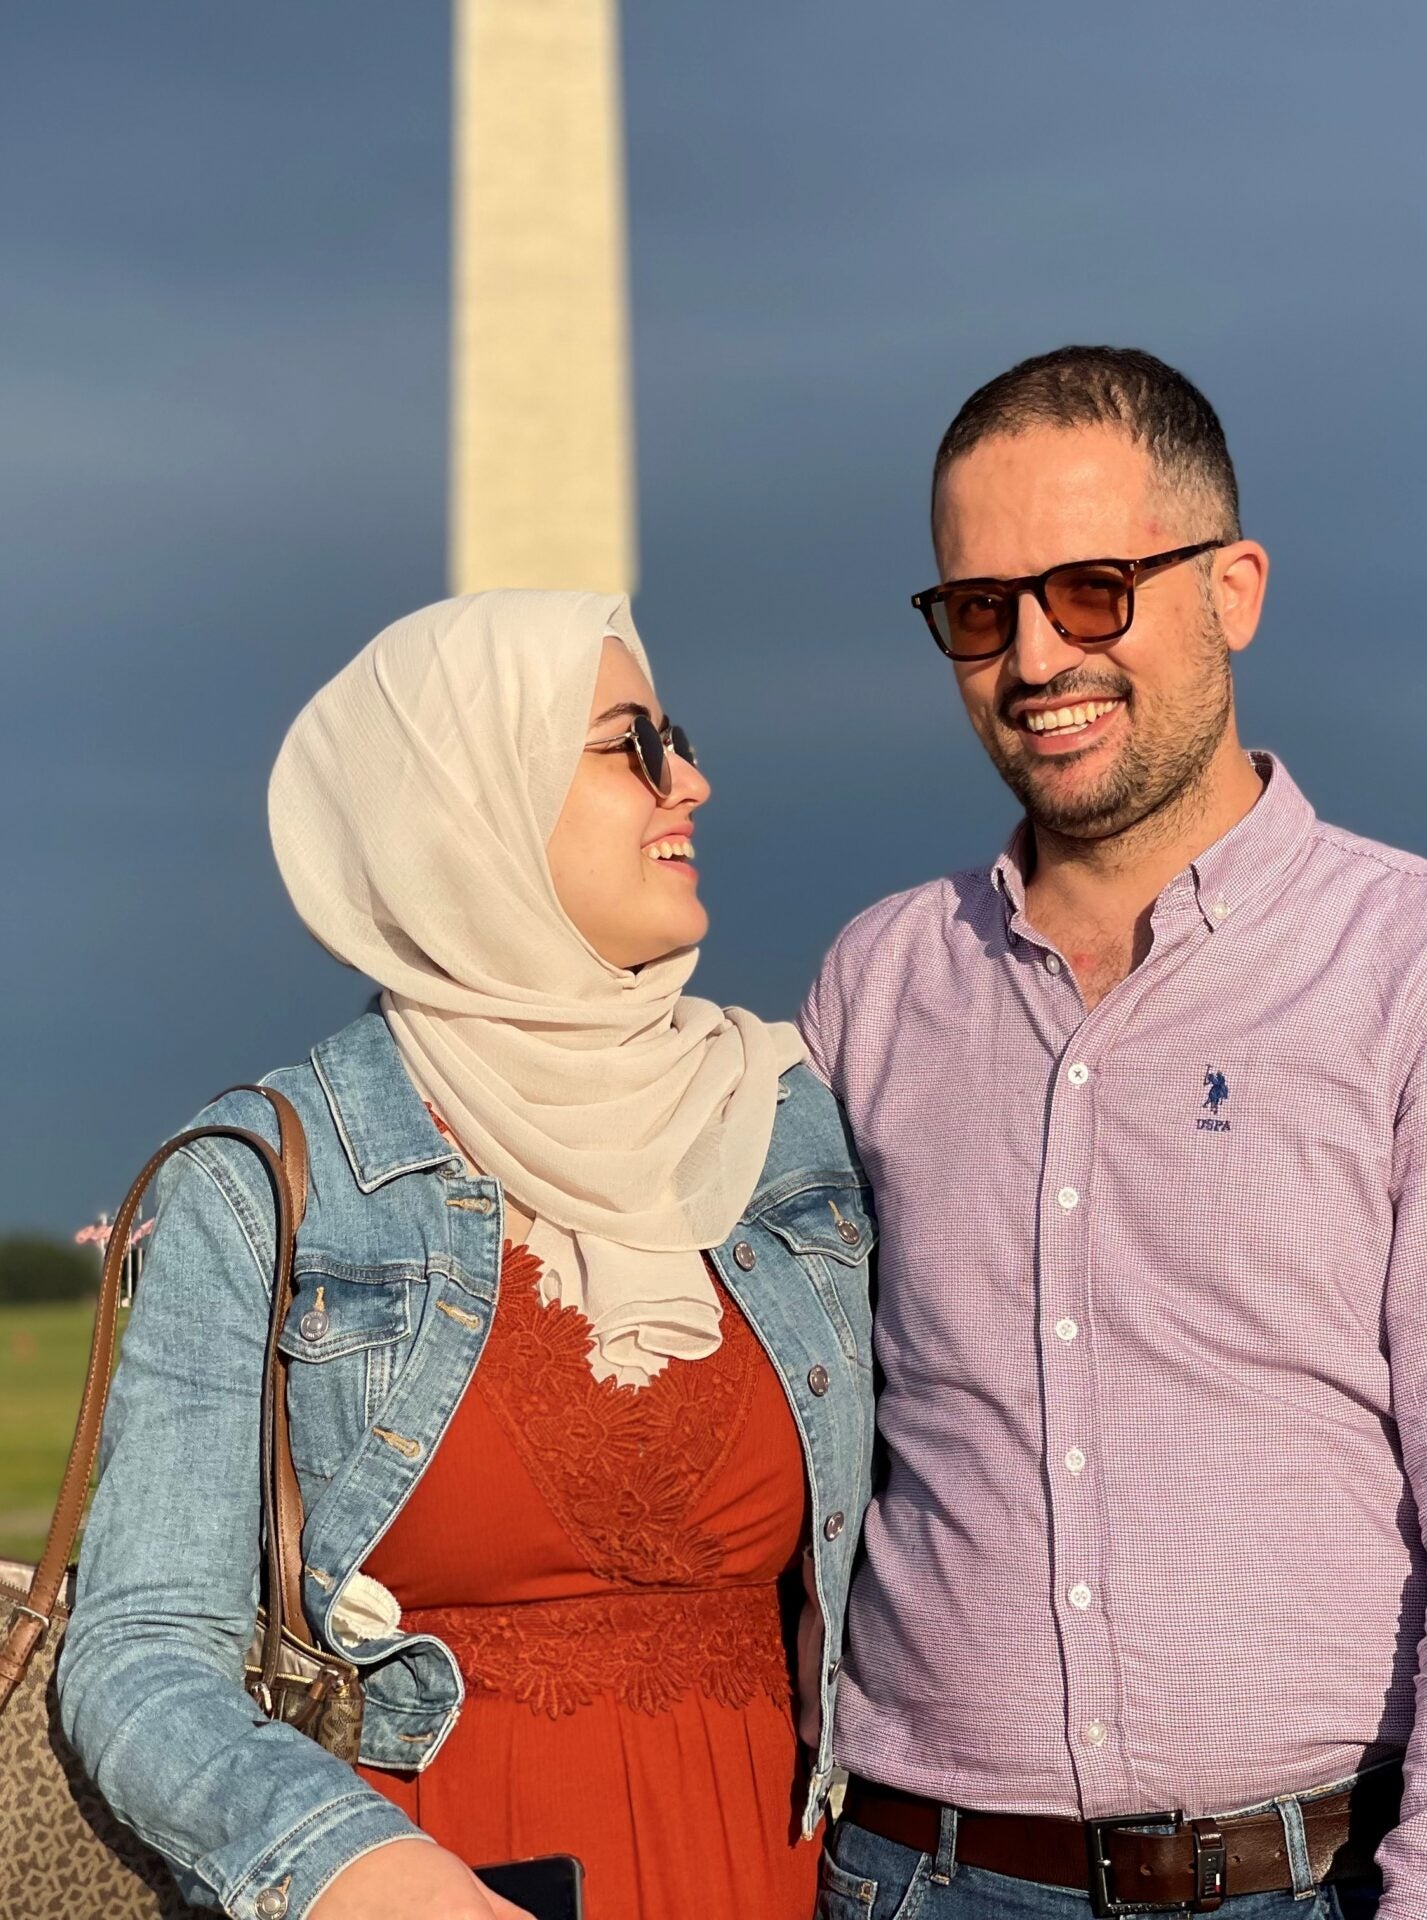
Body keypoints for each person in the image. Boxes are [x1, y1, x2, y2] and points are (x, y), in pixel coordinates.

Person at [802, 348, 1427, 1920]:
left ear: (1233, 589)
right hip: (916, 1878)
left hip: (1302, 1882)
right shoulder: (878, 980)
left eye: (1093, 589)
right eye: (981, 610)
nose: (1037, 655)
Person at [57, 591, 875, 1920]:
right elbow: (140, 1650)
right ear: (470, 802)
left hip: (770, 1875)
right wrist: (353, 1871)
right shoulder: (263, 1179)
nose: (695, 783)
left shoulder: (790, 1124)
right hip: (431, 1882)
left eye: (678, 737)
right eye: (632, 747)